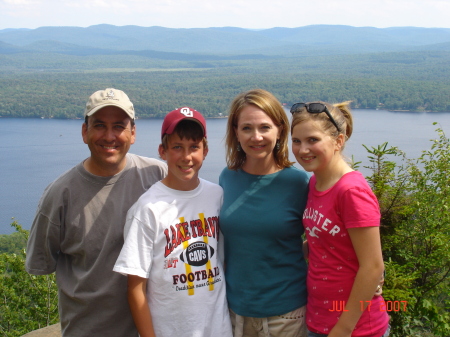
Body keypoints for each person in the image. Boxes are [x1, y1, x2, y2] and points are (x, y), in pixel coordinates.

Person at [25, 88, 168, 337]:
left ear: (133, 133)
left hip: (154, 329)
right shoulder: (60, 195)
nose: (109, 136)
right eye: (99, 125)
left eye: (119, 126)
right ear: (85, 132)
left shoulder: (158, 176)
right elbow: (41, 262)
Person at [113, 107, 232, 337]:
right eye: (177, 147)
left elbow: (223, 259)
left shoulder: (217, 196)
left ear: (205, 151)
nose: (186, 157)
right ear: (163, 151)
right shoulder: (148, 209)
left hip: (218, 329)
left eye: (194, 147)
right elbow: (135, 288)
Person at [290, 101, 390, 337]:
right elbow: (328, 243)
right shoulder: (316, 182)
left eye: (313, 140)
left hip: (356, 329)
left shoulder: (351, 191)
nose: (303, 149)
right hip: (318, 320)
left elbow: (373, 266)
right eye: (296, 141)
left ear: (338, 141)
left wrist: (343, 329)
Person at [219, 89, 310, 337]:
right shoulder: (228, 177)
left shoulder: (297, 182)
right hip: (235, 309)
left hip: (287, 312)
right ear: (235, 132)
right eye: (247, 128)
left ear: (280, 130)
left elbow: (324, 238)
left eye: (264, 127)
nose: (256, 137)